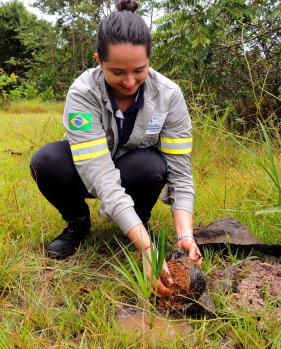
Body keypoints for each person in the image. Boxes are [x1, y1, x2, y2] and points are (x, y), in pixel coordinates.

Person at [30, 0, 201, 297]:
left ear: (150, 59)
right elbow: (100, 175)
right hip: (88, 176)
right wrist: (147, 248)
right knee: (47, 160)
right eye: (117, 72)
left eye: (140, 69)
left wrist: (185, 233)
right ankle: (78, 225)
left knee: (152, 165)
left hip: (133, 173)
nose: (130, 81)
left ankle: (137, 222)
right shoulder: (82, 93)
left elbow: (180, 172)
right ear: (99, 60)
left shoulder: (169, 96)